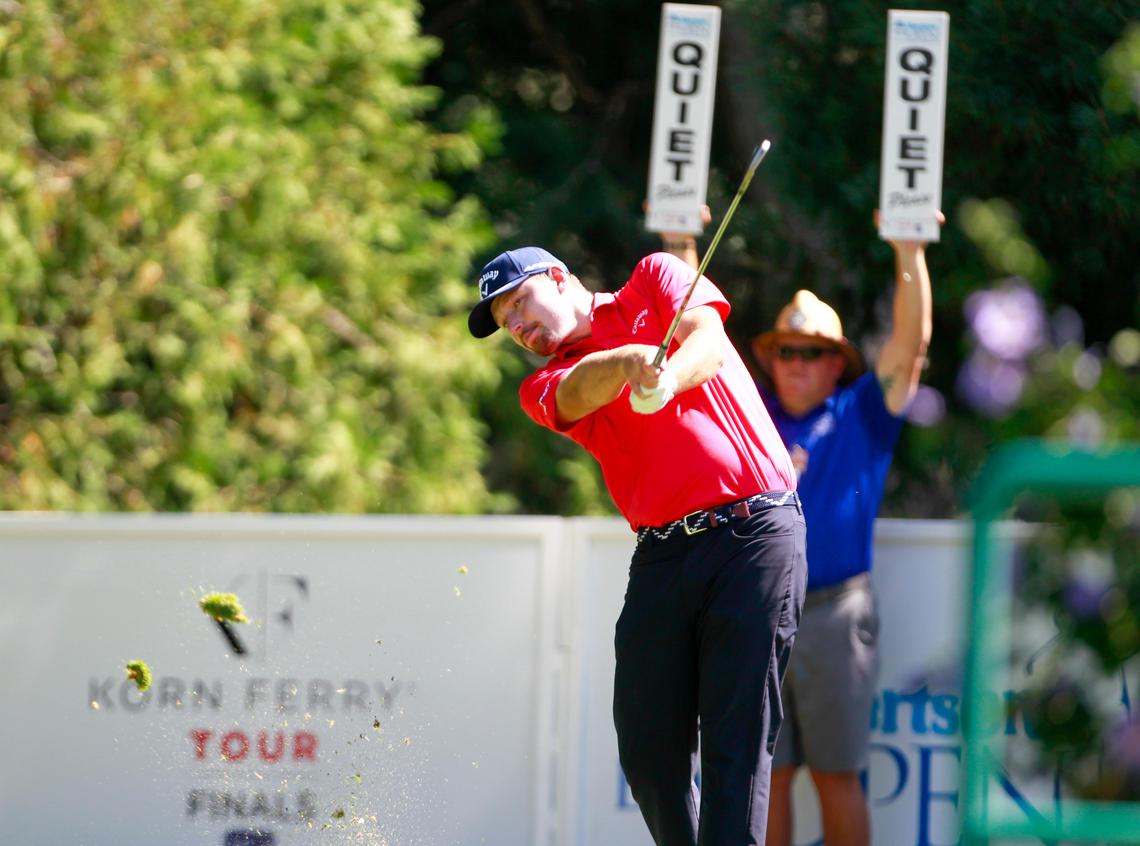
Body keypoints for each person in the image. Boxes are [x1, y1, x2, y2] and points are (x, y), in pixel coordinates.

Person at [468, 243, 807, 845]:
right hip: (663, 554)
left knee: (736, 746)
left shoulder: (654, 277)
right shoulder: (542, 384)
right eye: (506, 324)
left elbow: (707, 342)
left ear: (560, 277)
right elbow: (577, 390)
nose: (519, 327)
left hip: (754, 533)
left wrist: (668, 376)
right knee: (648, 750)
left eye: (519, 302)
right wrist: (627, 363)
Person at [750, 214, 939, 846]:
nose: (796, 362)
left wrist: (909, 250)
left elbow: (909, 346)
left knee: (835, 778)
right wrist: (679, 246)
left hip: (836, 614)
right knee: (765, 781)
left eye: (811, 352)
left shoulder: (860, 414)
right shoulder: (752, 416)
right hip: (762, 615)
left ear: (837, 363)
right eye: (785, 350)